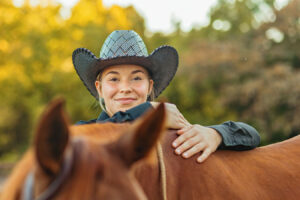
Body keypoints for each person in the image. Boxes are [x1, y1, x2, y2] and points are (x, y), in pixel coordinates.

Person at [72, 30, 260, 163]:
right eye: (114, 79)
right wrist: (146, 112)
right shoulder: (84, 134)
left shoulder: (171, 133)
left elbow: (251, 135)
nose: (125, 88)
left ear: (149, 86)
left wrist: (216, 134)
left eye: (136, 78)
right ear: (99, 88)